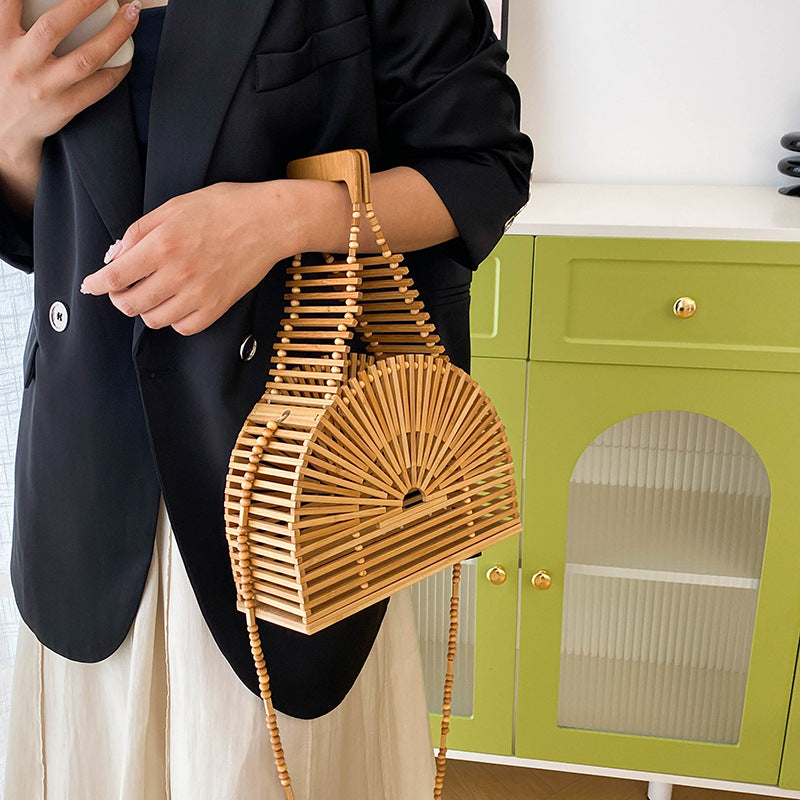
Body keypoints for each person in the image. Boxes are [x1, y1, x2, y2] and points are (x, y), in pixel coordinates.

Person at [0, 0, 533, 796]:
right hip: (85, 481)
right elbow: (41, 231)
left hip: (293, 485)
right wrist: (10, 133)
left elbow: (483, 167)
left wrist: (282, 219)